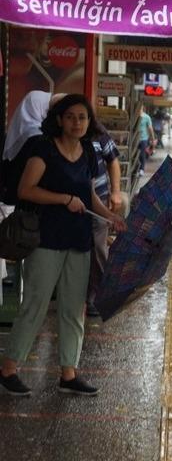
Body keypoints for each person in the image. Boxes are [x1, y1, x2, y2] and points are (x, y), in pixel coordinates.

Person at [0, 94, 126, 397]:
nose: (77, 123)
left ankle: (69, 373)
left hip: (78, 240)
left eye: (82, 117)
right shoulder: (43, 148)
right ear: (59, 119)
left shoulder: (88, 151)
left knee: (73, 308)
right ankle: (8, 369)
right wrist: (63, 199)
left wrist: (110, 216)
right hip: (47, 238)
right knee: (35, 304)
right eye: (70, 117)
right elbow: (26, 190)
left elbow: (88, 195)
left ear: (89, 122)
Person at [85, 121, 124, 317]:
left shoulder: (98, 134)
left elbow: (112, 161)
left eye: (82, 117)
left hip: (97, 202)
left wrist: (115, 192)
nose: (76, 122)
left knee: (97, 248)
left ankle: (98, 293)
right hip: (69, 207)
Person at [136, 104, 155, 175]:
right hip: (135, 139)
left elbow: (150, 128)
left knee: (142, 154)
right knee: (136, 155)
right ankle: (137, 168)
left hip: (144, 138)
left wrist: (153, 139)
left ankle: (142, 169)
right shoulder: (135, 116)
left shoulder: (147, 117)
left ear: (142, 108)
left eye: (140, 107)